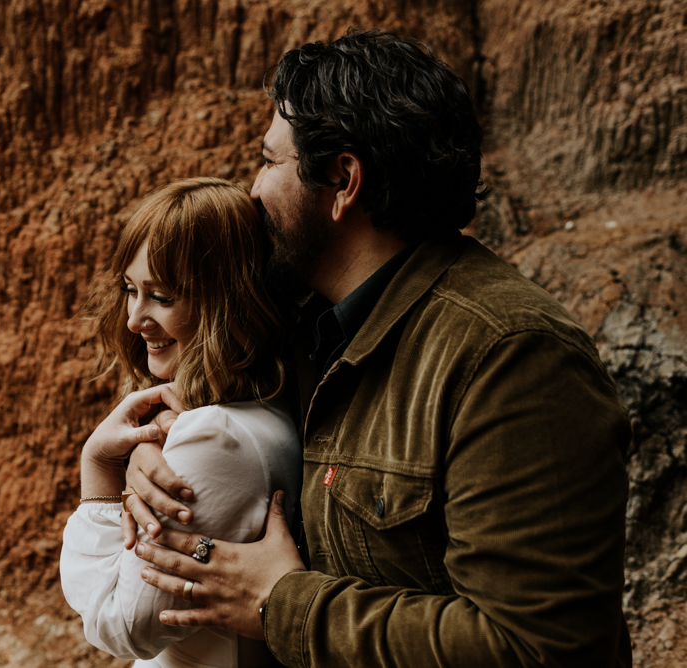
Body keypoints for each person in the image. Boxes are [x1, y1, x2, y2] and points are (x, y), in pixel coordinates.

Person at [121, 30, 632, 668]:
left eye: (268, 161)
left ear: (342, 180)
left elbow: (537, 647)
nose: (252, 191)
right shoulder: (309, 325)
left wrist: (284, 603)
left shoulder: (510, 358)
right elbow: (235, 427)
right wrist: (160, 455)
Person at [59, 177, 304, 667]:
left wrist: (99, 470)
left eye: (162, 297)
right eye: (131, 290)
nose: (134, 319)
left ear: (225, 302)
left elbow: (119, 625)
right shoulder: (266, 411)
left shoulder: (217, 439)